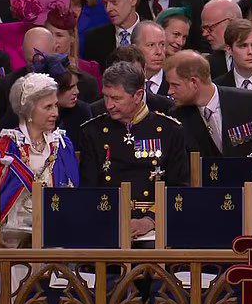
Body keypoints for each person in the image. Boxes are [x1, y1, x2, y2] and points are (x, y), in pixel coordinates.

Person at [79, 61, 188, 238]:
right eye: (106, 97)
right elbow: (89, 188)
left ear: (138, 95)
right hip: (108, 222)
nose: (108, 105)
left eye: (116, 98)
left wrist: (151, 220)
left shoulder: (169, 130)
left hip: (157, 226)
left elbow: (179, 187)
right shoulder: (93, 131)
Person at [0, 71, 80, 246]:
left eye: (56, 106)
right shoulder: (4, 149)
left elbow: (74, 196)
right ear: (29, 110)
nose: (55, 112)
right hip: (10, 240)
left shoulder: (62, 145)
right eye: (48, 107)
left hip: (54, 237)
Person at [167, 49, 252, 157]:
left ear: (194, 82)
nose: (169, 91)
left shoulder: (249, 102)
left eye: (175, 85)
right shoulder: (176, 117)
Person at [0, 26, 56, 122]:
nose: (36, 66)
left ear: (54, 50)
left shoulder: (70, 84)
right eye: (31, 61)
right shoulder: (4, 86)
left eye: (41, 61)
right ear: (23, 52)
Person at [84, 0, 142, 70]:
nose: (108, 9)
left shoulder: (154, 33)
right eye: (105, 3)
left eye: (114, 2)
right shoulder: (94, 39)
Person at [131, 20, 169, 95]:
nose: (159, 52)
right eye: (151, 45)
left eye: (162, 44)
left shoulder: (174, 84)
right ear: (135, 49)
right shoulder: (124, 83)